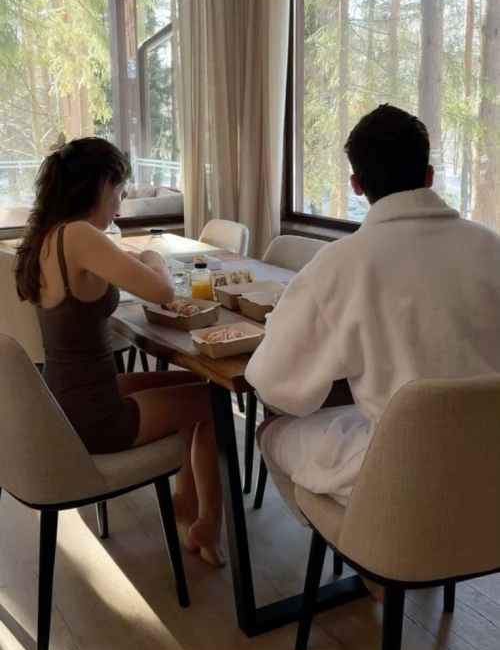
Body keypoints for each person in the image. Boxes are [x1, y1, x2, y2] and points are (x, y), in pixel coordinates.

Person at [246, 104, 500, 521]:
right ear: (429, 176)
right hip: (490, 466)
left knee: (273, 431)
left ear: (356, 185)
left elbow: (276, 388)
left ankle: (360, 547)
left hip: (406, 474)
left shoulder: (340, 264)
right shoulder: (490, 246)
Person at [15, 136, 224, 567]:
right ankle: (208, 522)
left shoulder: (48, 235)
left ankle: (186, 503)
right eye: (120, 190)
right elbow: (162, 291)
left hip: (66, 400)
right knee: (212, 401)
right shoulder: (78, 235)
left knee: (194, 382)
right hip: (96, 417)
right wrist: (151, 255)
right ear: (101, 184)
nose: (119, 203)